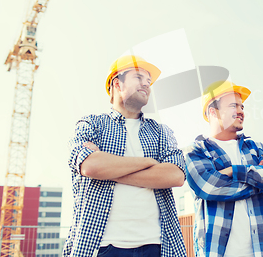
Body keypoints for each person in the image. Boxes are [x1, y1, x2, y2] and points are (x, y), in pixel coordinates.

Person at [63, 55, 187, 257]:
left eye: (149, 81)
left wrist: (109, 168)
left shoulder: (161, 132)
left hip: (157, 246)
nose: (146, 84)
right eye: (139, 77)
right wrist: (148, 163)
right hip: (102, 246)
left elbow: (175, 176)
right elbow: (90, 166)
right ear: (117, 84)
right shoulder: (91, 124)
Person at [185, 80, 263, 257]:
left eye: (242, 107)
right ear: (213, 111)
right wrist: (260, 180)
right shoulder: (196, 150)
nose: (241, 111)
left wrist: (234, 171)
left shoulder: (256, 147)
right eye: (234, 106)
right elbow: (210, 187)